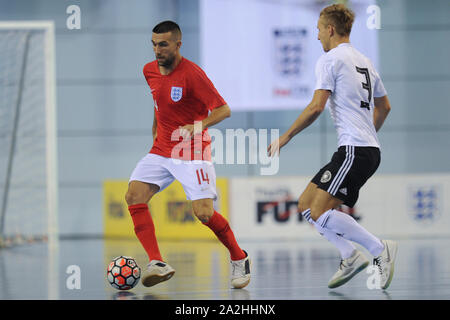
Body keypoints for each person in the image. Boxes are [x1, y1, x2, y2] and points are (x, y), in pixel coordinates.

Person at [268, 4, 397, 289]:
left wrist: (286, 136)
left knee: (318, 212)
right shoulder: (364, 60)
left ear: (330, 29)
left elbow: (316, 107)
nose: (316, 37)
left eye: (318, 30)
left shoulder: (330, 60)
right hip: (360, 149)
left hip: (354, 149)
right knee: (304, 205)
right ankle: (349, 255)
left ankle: (378, 249)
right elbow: (385, 107)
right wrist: (367, 135)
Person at [125, 21, 250, 289]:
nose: (157, 50)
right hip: (161, 150)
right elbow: (159, 104)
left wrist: (197, 126)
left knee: (204, 213)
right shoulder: (149, 71)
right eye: (154, 44)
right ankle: (157, 261)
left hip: (192, 151)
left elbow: (223, 110)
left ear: (178, 44)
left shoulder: (193, 74)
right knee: (134, 195)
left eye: (164, 44)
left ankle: (239, 257)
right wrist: (155, 133)